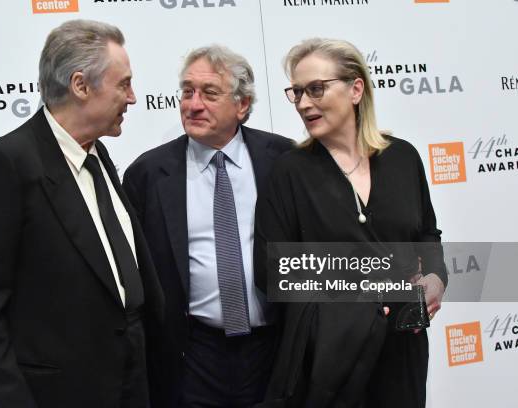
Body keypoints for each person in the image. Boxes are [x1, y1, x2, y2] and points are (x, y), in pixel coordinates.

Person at [0, 20, 163, 408]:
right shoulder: (6, 164)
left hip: (132, 386)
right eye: (123, 84)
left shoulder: (98, 155)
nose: (132, 98)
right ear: (80, 85)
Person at [253, 38, 447, 408]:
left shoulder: (403, 157)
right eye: (296, 93)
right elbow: (271, 271)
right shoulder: (289, 173)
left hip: (402, 351)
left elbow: (427, 235)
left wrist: (435, 279)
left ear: (356, 89)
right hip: (328, 359)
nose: (304, 103)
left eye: (316, 89)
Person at [122, 45, 294, 407]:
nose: (193, 104)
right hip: (191, 355)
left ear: (242, 105)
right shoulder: (149, 174)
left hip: (273, 350)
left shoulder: (283, 160)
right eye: (187, 91)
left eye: (209, 93)